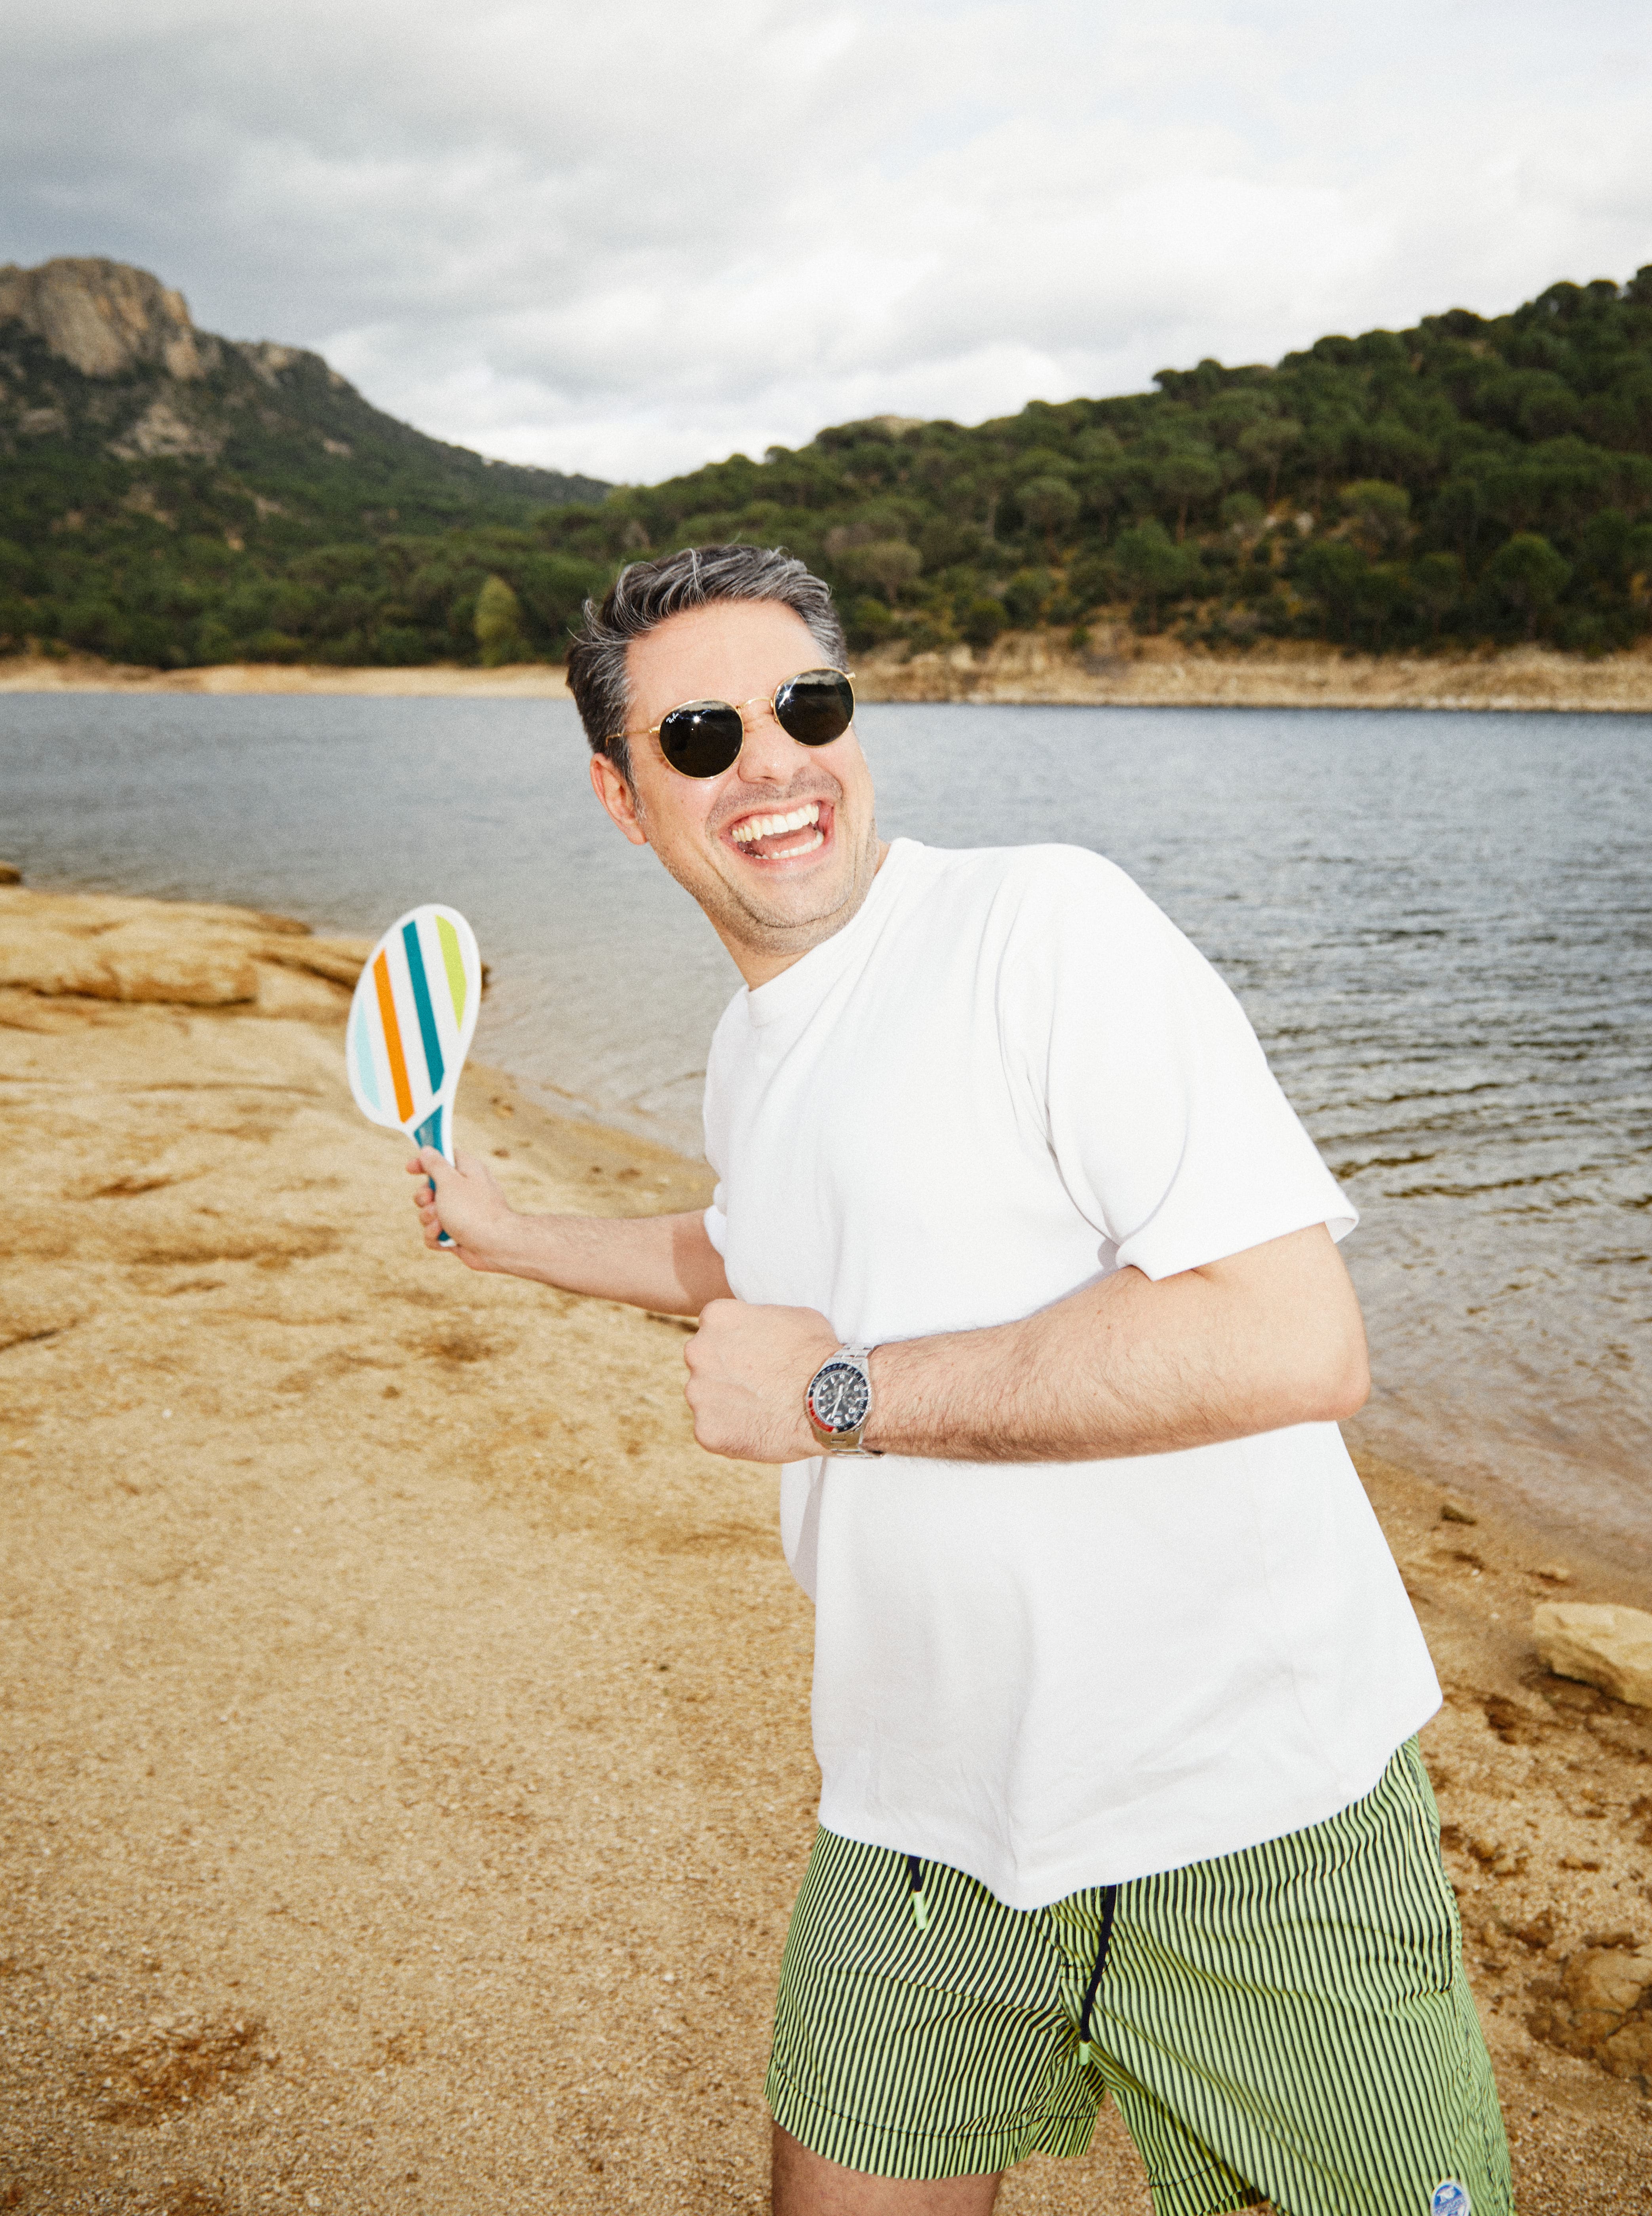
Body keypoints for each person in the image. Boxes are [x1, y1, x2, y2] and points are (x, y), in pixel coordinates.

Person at [410, 543, 1511, 2216]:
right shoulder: (747, 1046)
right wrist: (514, 1238)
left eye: (805, 706)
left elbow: (1294, 1339)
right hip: (916, 1815)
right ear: (624, 798)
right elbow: (755, 1248)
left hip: (1243, 1808)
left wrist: (837, 1398)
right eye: (699, 738)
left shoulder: (1043, 924)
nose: (768, 762)